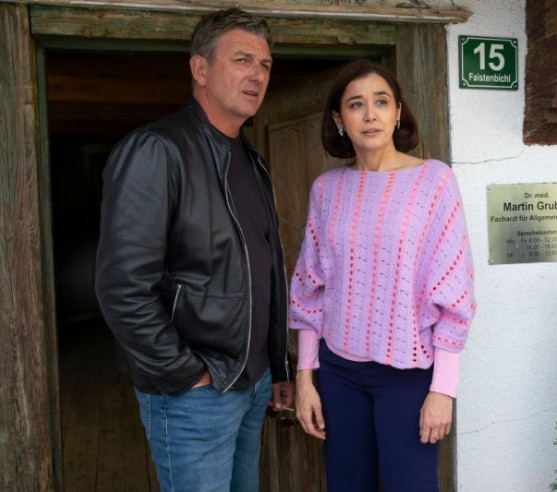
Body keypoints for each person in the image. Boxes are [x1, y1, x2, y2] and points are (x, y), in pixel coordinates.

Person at [94, 9, 293, 492]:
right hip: (196, 394)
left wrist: (277, 367)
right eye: (242, 60)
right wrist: (187, 374)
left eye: (265, 64)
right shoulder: (157, 150)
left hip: (253, 384)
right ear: (200, 69)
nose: (257, 74)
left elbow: (265, 274)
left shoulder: (252, 162)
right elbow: (122, 288)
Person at [290, 59, 476, 492]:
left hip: (408, 375)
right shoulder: (326, 189)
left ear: (398, 112)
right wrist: (305, 378)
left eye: (381, 102)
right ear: (339, 119)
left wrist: (443, 390)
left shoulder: (434, 181)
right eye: (356, 104)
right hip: (339, 373)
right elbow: (309, 288)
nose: (370, 114)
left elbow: (455, 292)